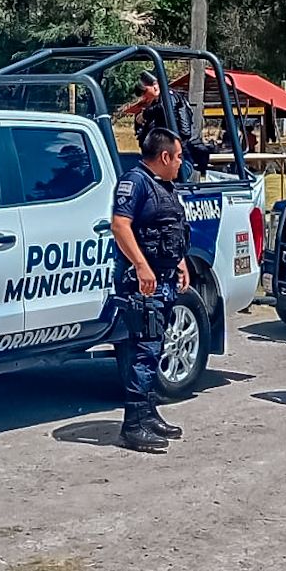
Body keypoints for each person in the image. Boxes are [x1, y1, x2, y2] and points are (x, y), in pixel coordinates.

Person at [110, 127, 192, 453]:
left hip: (165, 279)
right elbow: (120, 226)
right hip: (143, 284)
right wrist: (142, 266)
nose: (181, 162)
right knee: (144, 351)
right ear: (165, 156)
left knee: (155, 349)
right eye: (179, 156)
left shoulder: (163, 185)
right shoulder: (136, 182)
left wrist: (180, 262)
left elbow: (170, 228)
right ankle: (133, 426)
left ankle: (148, 413)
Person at [134, 71, 209, 182]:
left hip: (180, 158)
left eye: (145, 91)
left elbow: (168, 111)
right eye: (141, 93)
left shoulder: (171, 99)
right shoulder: (151, 108)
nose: (144, 96)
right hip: (160, 159)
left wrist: (145, 114)